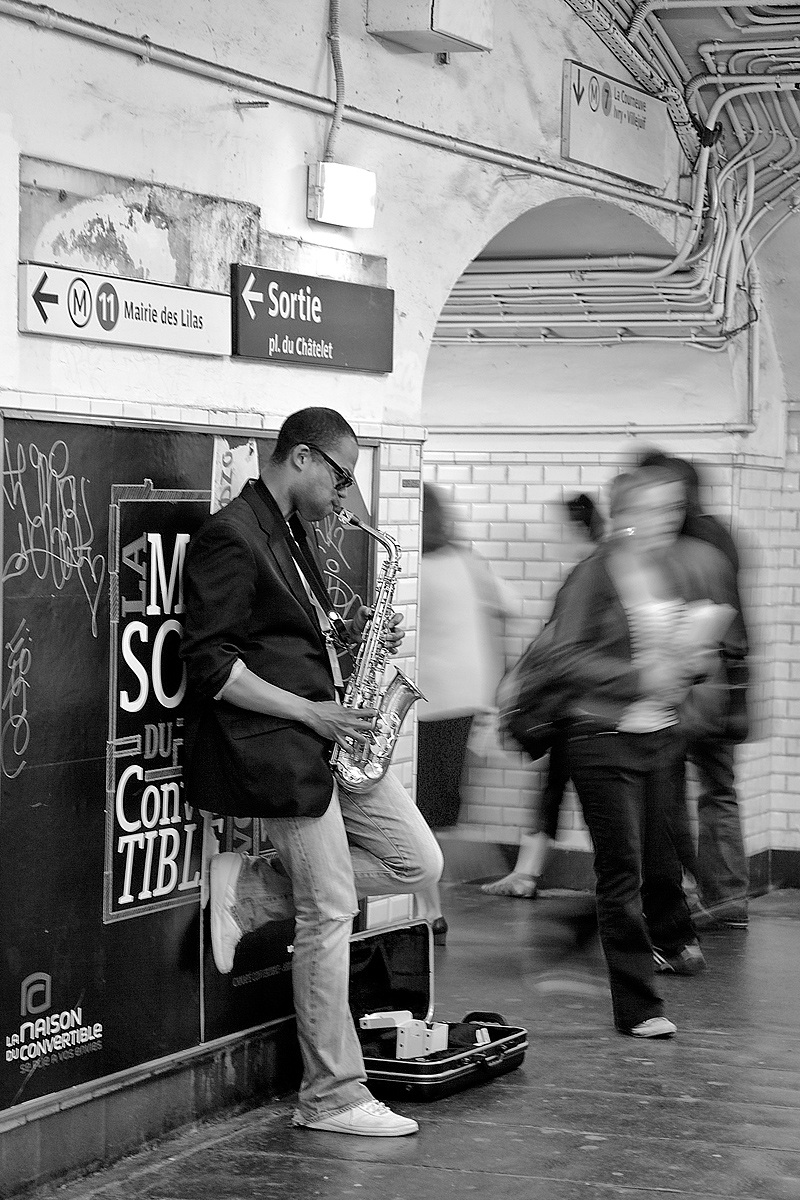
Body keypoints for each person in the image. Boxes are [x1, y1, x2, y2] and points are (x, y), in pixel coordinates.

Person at [180, 407, 443, 1138]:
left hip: (328, 736)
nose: (345, 492)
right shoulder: (230, 536)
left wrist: (362, 638)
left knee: (417, 860)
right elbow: (212, 668)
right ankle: (331, 1096)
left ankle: (253, 891)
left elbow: (287, 640)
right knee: (329, 909)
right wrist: (313, 713)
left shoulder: (291, 531)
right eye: (340, 474)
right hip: (281, 746)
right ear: (301, 457)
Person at [549, 466, 741, 1038]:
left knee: (662, 864)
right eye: (654, 510)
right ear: (624, 514)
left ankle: (670, 948)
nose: (666, 522)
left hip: (660, 736)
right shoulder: (592, 574)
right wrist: (641, 676)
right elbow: (565, 659)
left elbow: (676, 650)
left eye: (673, 510)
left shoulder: (665, 572)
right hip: (602, 739)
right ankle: (640, 1007)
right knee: (622, 873)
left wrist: (696, 657)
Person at [639, 451, 750, 929]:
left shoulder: (666, 553)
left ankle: (676, 896)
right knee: (719, 792)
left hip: (681, 694)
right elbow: (738, 624)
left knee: (666, 797)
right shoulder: (721, 540)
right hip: (725, 690)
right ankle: (726, 897)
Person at [482, 493, 604, 900]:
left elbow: (555, 641)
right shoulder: (595, 570)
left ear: (576, 527)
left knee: (574, 793)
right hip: (584, 703)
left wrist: (516, 680)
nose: (555, 538)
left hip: (579, 705)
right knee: (556, 788)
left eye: (559, 529)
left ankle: (529, 874)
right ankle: (527, 873)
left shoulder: (586, 574)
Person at [413, 483, 517, 941]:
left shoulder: (415, 569)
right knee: (437, 810)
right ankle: (432, 902)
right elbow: (512, 605)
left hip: (429, 700)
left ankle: (430, 906)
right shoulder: (466, 560)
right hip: (467, 696)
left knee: (419, 811)